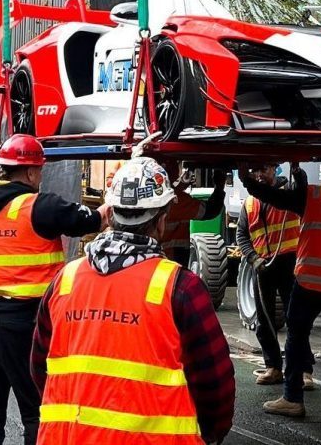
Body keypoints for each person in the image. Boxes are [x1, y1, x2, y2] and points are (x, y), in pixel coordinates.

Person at [31, 157, 235, 444]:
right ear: (161, 220)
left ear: (110, 213)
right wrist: (212, 432)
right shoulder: (181, 288)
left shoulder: (66, 279)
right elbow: (213, 380)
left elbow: (41, 366)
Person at [0, 134, 110, 445]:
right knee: (36, 411)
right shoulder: (40, 206)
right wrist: (117, 196)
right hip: (23, 323)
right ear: (32, 172)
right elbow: (94, 221)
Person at [240, 161, 321, 421]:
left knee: (296, 336)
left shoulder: (313, 195)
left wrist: (247, 179)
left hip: (309, 282)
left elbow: (272, 196)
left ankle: (292, 398)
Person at [235, 162, 312, 385]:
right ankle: (273, 367)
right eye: (256, 170)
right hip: (262, 265)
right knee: (264, 319)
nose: (259, 174)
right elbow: (242, 235)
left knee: (296, 319)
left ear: (275, 169)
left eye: (264, 169)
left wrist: (297, 171)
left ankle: (304, 369)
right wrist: (253, 258)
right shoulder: (249, 203)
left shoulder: (287, 193)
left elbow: (302, 190)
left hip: (289, 262)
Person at [159, 163, 227, 266]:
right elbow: (210, 210)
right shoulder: (176, 200)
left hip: (159, 259)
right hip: (171, 260)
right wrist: (219, 186)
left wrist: (181, 185)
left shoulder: (154, 196)